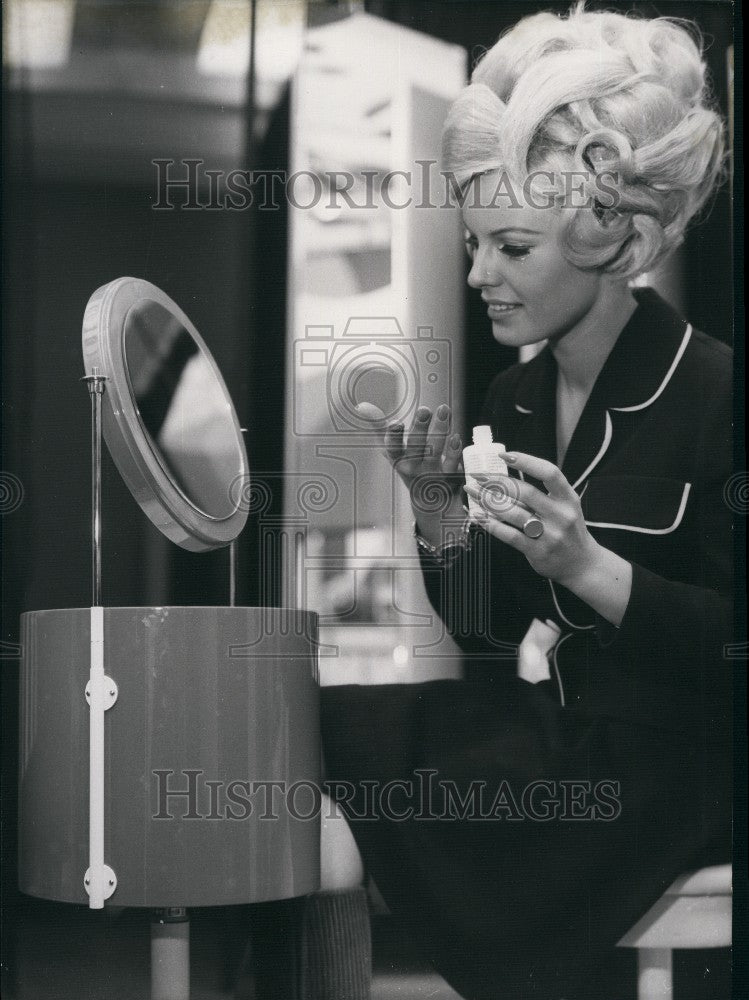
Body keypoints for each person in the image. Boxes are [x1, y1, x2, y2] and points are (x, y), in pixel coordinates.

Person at [315, 5, 733, 999]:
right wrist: (436, 516)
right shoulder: (514, 395)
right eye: (473, 243)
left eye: (509, 247)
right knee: (314, 719)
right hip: (563, 733)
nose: (477, 276)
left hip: (683, 765)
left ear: (615, 240)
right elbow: (497, 627)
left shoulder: (715, 393)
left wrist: (586, 565)